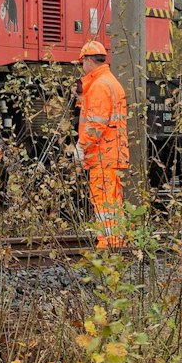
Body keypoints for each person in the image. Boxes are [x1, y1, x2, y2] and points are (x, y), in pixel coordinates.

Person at [78, 39, 128, 248]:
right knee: (113, 201)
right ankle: (115, 241)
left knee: (103, 201)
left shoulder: (99, 85)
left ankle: (108, 244)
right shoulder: (111, 82)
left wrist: (81, 147)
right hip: (113, 154)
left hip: (102, 155)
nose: (82, 67)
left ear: (89, 60)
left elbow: (96, 124)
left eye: (82, 62)